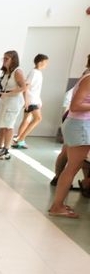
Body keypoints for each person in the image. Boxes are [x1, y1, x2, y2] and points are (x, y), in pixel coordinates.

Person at [49, 71, 90, 218]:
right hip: (81, 126)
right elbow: (76, 106)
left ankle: (58, 204)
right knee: (72, 168)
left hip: (79, 125)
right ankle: (57, 206)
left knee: (73, 167)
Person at [0, 50, 28, 160]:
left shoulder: (17, 72)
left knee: (9, 125)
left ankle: (6, 150)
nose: (4, 61)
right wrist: (2, 93)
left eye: (6, 59)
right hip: (4, 100)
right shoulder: (6, 72)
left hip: (13, 101)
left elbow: (24, 87)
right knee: (1, 124)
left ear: (13, 60)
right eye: (3, 58)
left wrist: (8, 93)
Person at [15, 53, 48, 149]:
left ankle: (18, 140)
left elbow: (35, 89)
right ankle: (21, 139)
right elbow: (26, 87)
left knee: (26, 120)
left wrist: (39, 101)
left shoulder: (38, 73)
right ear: (40, 62)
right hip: (31, 100)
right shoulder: (34, 73)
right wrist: (26, 101)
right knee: (38, 118)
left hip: (33, 100)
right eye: (46, 62)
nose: (46, 64)